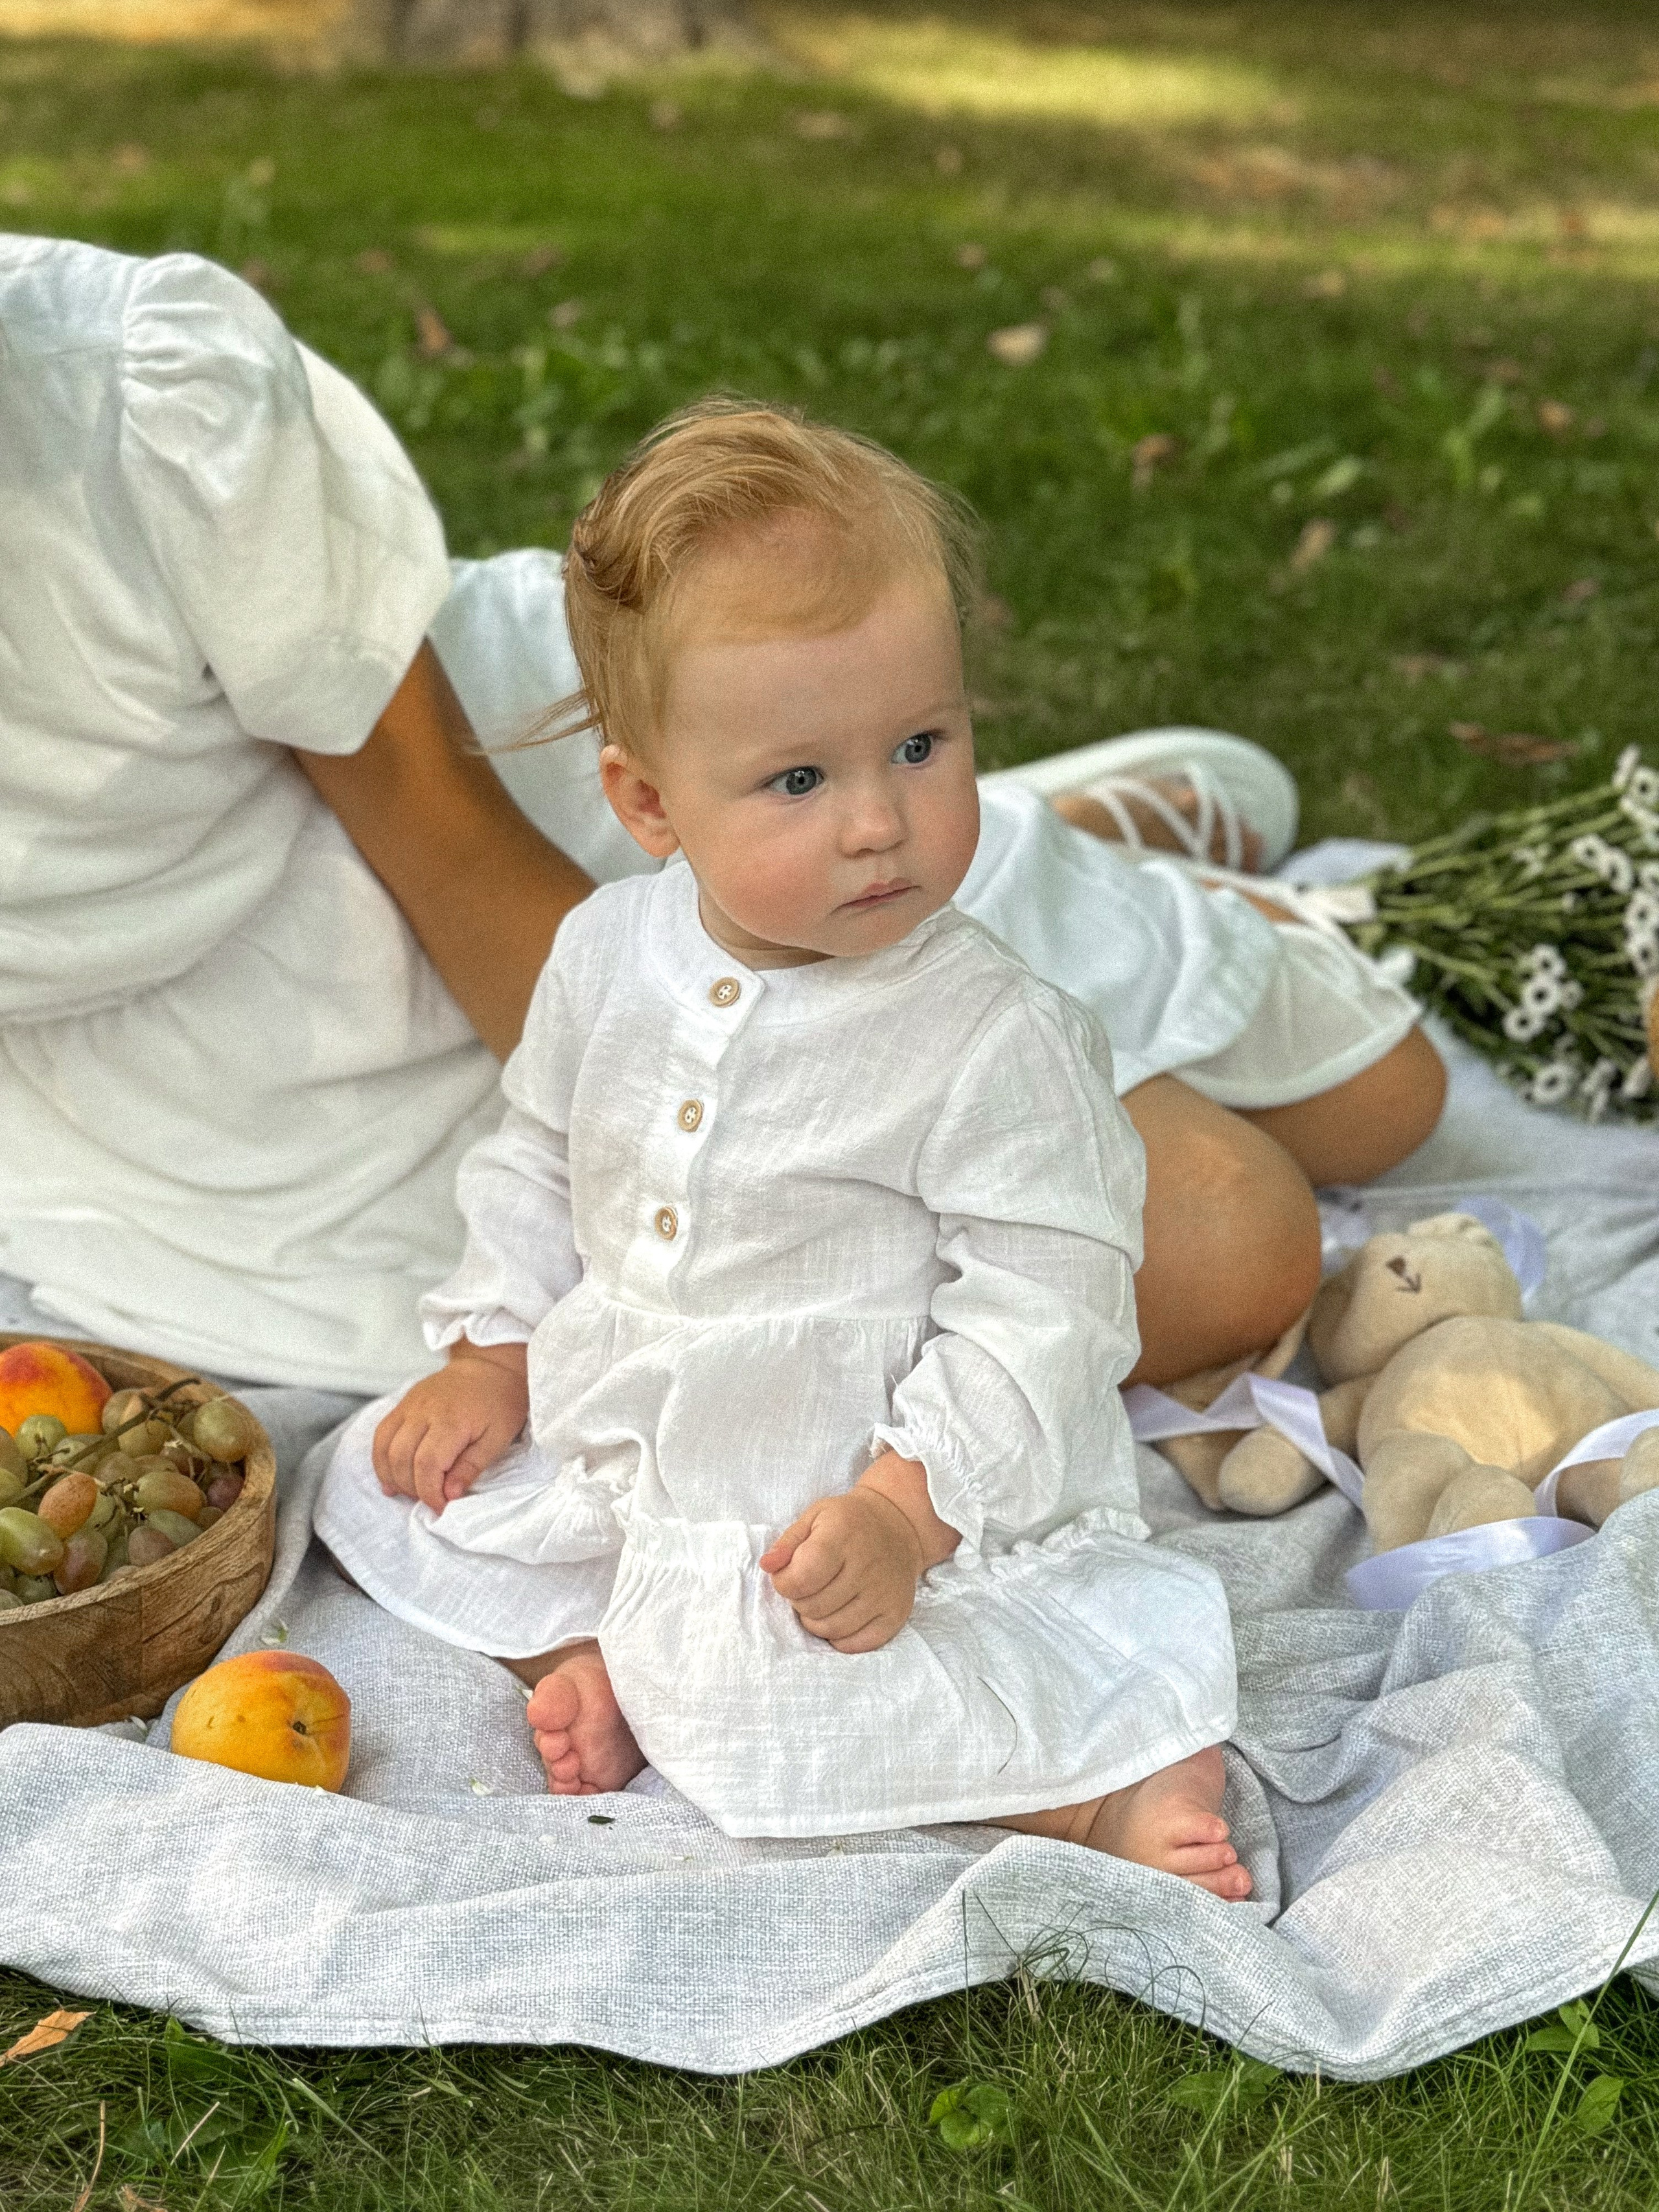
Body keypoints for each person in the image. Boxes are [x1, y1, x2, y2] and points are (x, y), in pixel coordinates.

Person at [0, 233, 1443, 1402]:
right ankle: (900, 795)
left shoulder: (120, 392)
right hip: (208, 1108)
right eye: (858, 767)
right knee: (1223, 1243)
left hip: (505, 860)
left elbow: (435, 825)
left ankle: (849, 789)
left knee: (1384, 1095)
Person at [316, 401, 1251, 1890]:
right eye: (800, 782)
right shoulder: (606, 955)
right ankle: (600, 1641)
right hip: (640, 1425)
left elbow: (1046, 1302)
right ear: (646, 804)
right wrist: (492, 1350)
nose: (879, 822)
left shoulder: (987, 1034)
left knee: (787, 1667)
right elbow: (538, 1154)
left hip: (845, 1481)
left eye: (918, 746)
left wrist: (903, 1509)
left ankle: (1088, 1795)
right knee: (375, 1474)